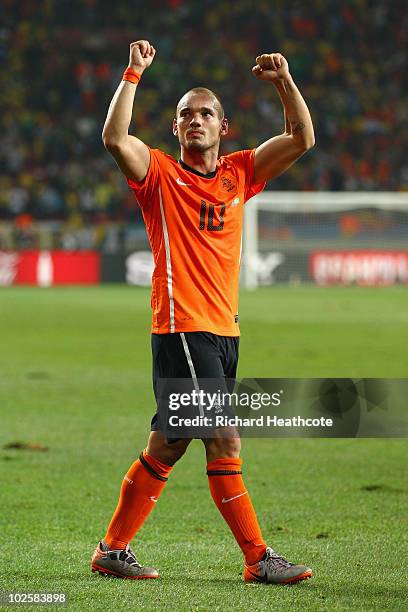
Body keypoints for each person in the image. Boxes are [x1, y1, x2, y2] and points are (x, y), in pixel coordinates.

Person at [91, 39, 315, 585]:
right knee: (224, 436)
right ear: (174, 129)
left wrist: (285, 81)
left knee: (169, 442)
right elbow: (115, 138)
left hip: (223, 333)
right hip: (183, 327)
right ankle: (258, 557)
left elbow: (302, 138)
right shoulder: (160, 176)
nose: (195, 120)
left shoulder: (241, 173)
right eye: (186, 114)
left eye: (205, 113)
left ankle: (112, 549)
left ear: (223, 127)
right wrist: (134, 73)